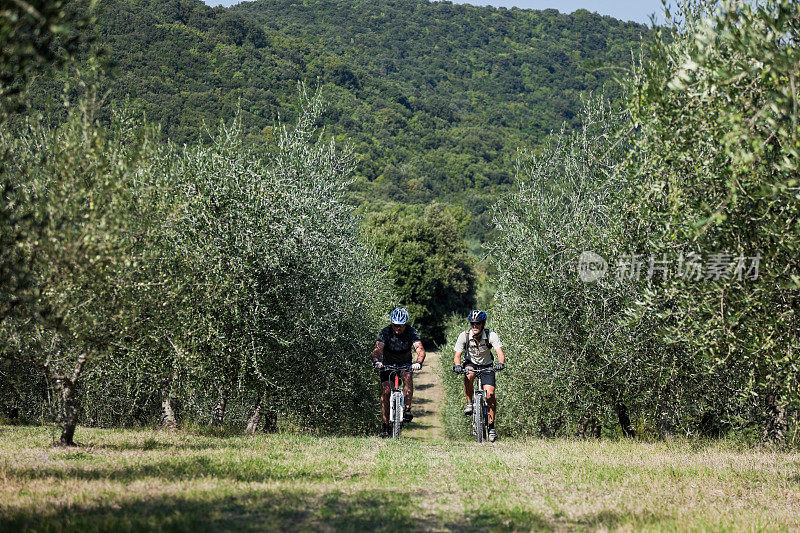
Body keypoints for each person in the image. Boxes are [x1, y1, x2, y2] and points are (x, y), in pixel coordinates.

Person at [372, 307, 426, 438]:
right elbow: (377, 349)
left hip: (405, 364)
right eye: (395, 325)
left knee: (408, 376)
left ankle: (407, 409)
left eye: (400, 326)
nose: (397, 329)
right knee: (385, 391)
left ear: (405, 324)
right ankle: (385, 425)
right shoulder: (385, 332)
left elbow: (419, 349)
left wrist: (418, 362)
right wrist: (376, 361)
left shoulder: (411, 332)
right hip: (387, 365)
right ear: (391, 323)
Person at [453, 310, 505, 442]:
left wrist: (500, 363)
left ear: (483, 324)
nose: (474, 326)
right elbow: (457, 355)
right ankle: (469, 403)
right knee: (469, 375)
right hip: (471, 363)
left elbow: (499, 352)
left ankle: (491, 427)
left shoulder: (490, 335)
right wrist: (458, 365)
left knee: (490, 395)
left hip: (487, 365)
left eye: (477, 324)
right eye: (472, 324)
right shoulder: (464, 336)